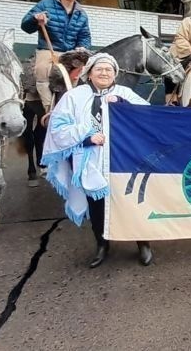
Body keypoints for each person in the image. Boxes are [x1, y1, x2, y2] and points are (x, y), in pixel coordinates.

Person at [41, 53, 154, 268]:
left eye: (108, 70)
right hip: (89, 160)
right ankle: (102, 244)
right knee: (97, 205)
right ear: (89, 74)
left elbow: (146, 117)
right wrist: (86, 137)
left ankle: (142, 243)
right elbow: (58, 129)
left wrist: (121, 105)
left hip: (123, 161)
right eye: (99, 69)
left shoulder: (125, 93)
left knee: (131, 201)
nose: (104, 73)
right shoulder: (74, 97)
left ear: (115, 75)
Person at [21, 0, 92, 114]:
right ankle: (50, 110)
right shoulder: (45, 5)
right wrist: (35, 19)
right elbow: (25, 26)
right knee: (41, 70)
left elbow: (85, 36)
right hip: (47, 49)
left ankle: (69, 106)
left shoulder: (81, 14)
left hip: (71, 53)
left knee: (79, 74)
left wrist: (82, 47)